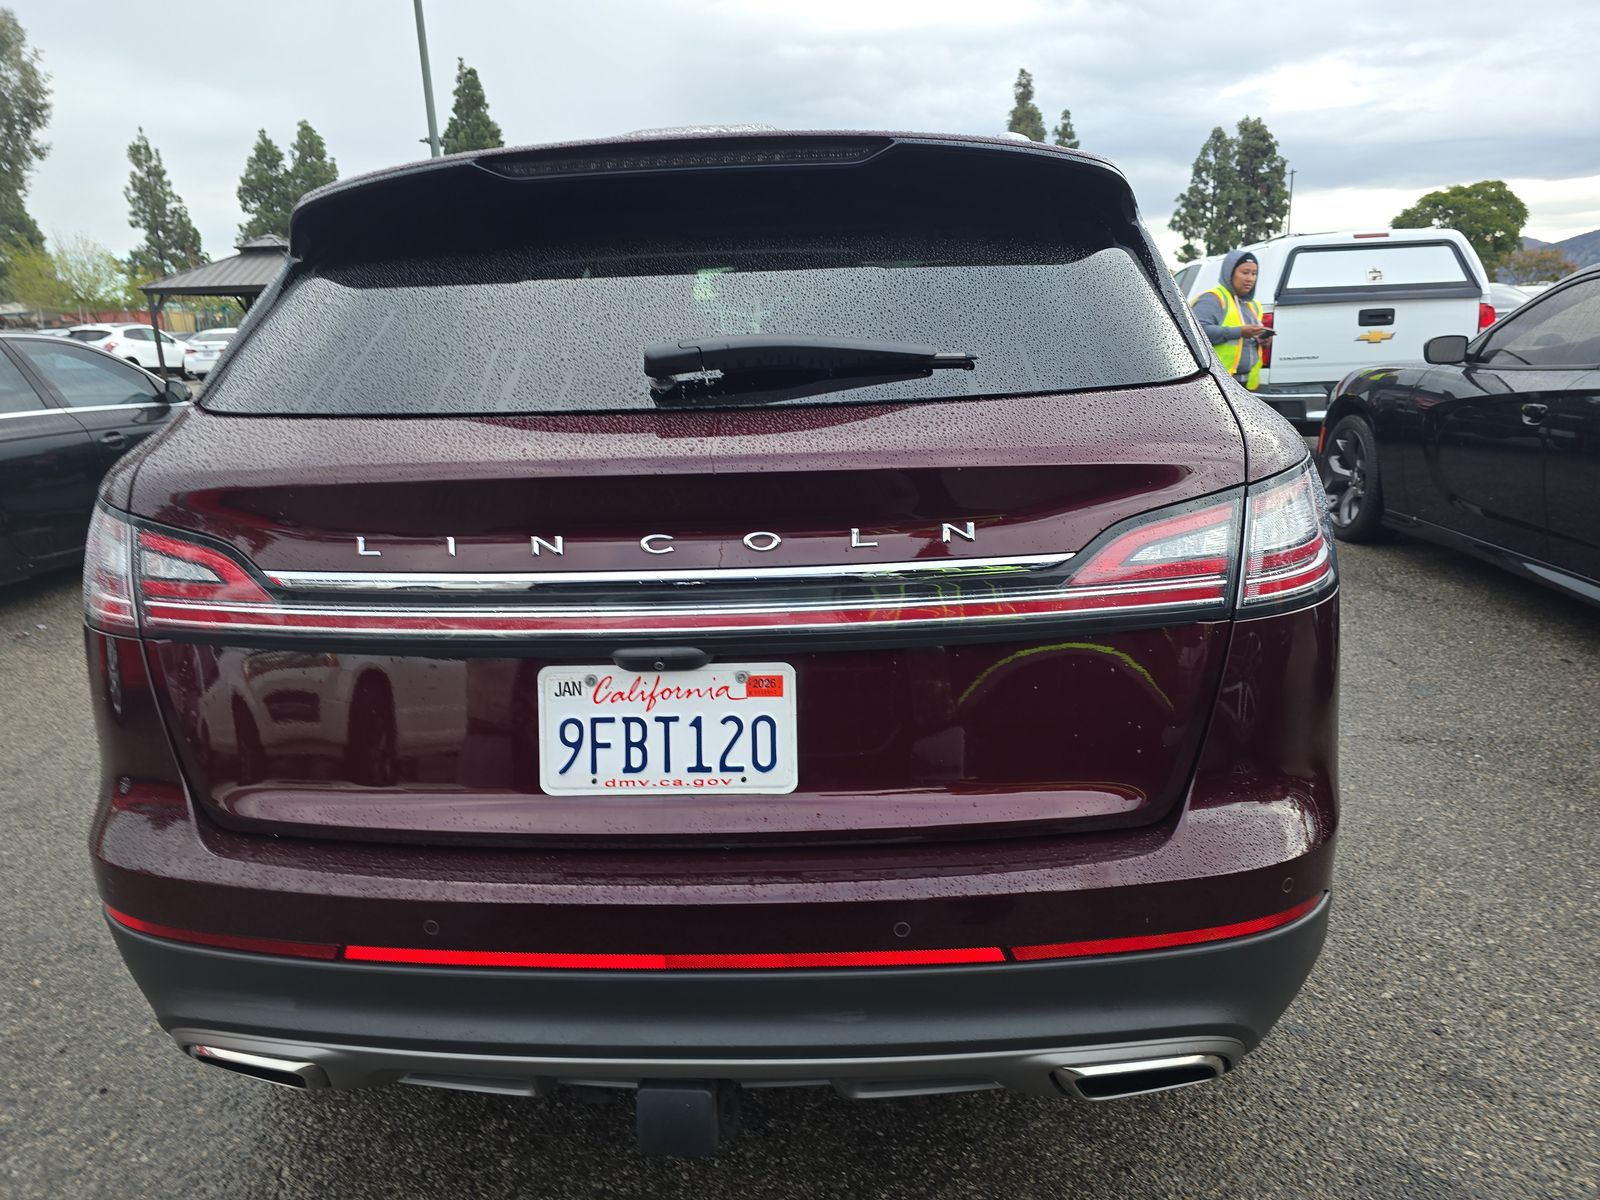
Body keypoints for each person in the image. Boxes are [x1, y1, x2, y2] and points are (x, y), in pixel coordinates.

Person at [1192, 250, 1270, 391]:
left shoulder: (1253, 305)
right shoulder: (1213, 298)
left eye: (1254, 273)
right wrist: (1240, 331)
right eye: (1245, 272)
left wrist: (1262, 340)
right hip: (1218, 384)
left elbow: (1245, 342)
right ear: (1230, 273)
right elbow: (1198, 333)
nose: (1250, 279)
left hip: (1246, 383)